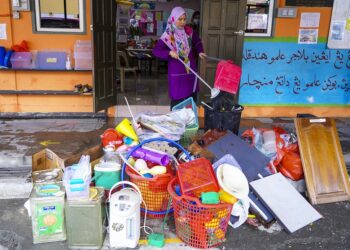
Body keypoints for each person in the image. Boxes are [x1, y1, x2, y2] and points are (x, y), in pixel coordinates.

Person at [152, 7, 206, 109]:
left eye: (184, 19)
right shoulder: (168, 35)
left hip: (190, 70)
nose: (182, 22)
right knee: (178, 99)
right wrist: (169, 52)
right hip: (177, 71)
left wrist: (200, 52)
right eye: (179, 19)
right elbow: (156, 51)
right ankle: (176, 122)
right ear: (173, 19)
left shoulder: (189, 32)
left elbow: (197, 41)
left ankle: (190, 122)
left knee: (191, 97)